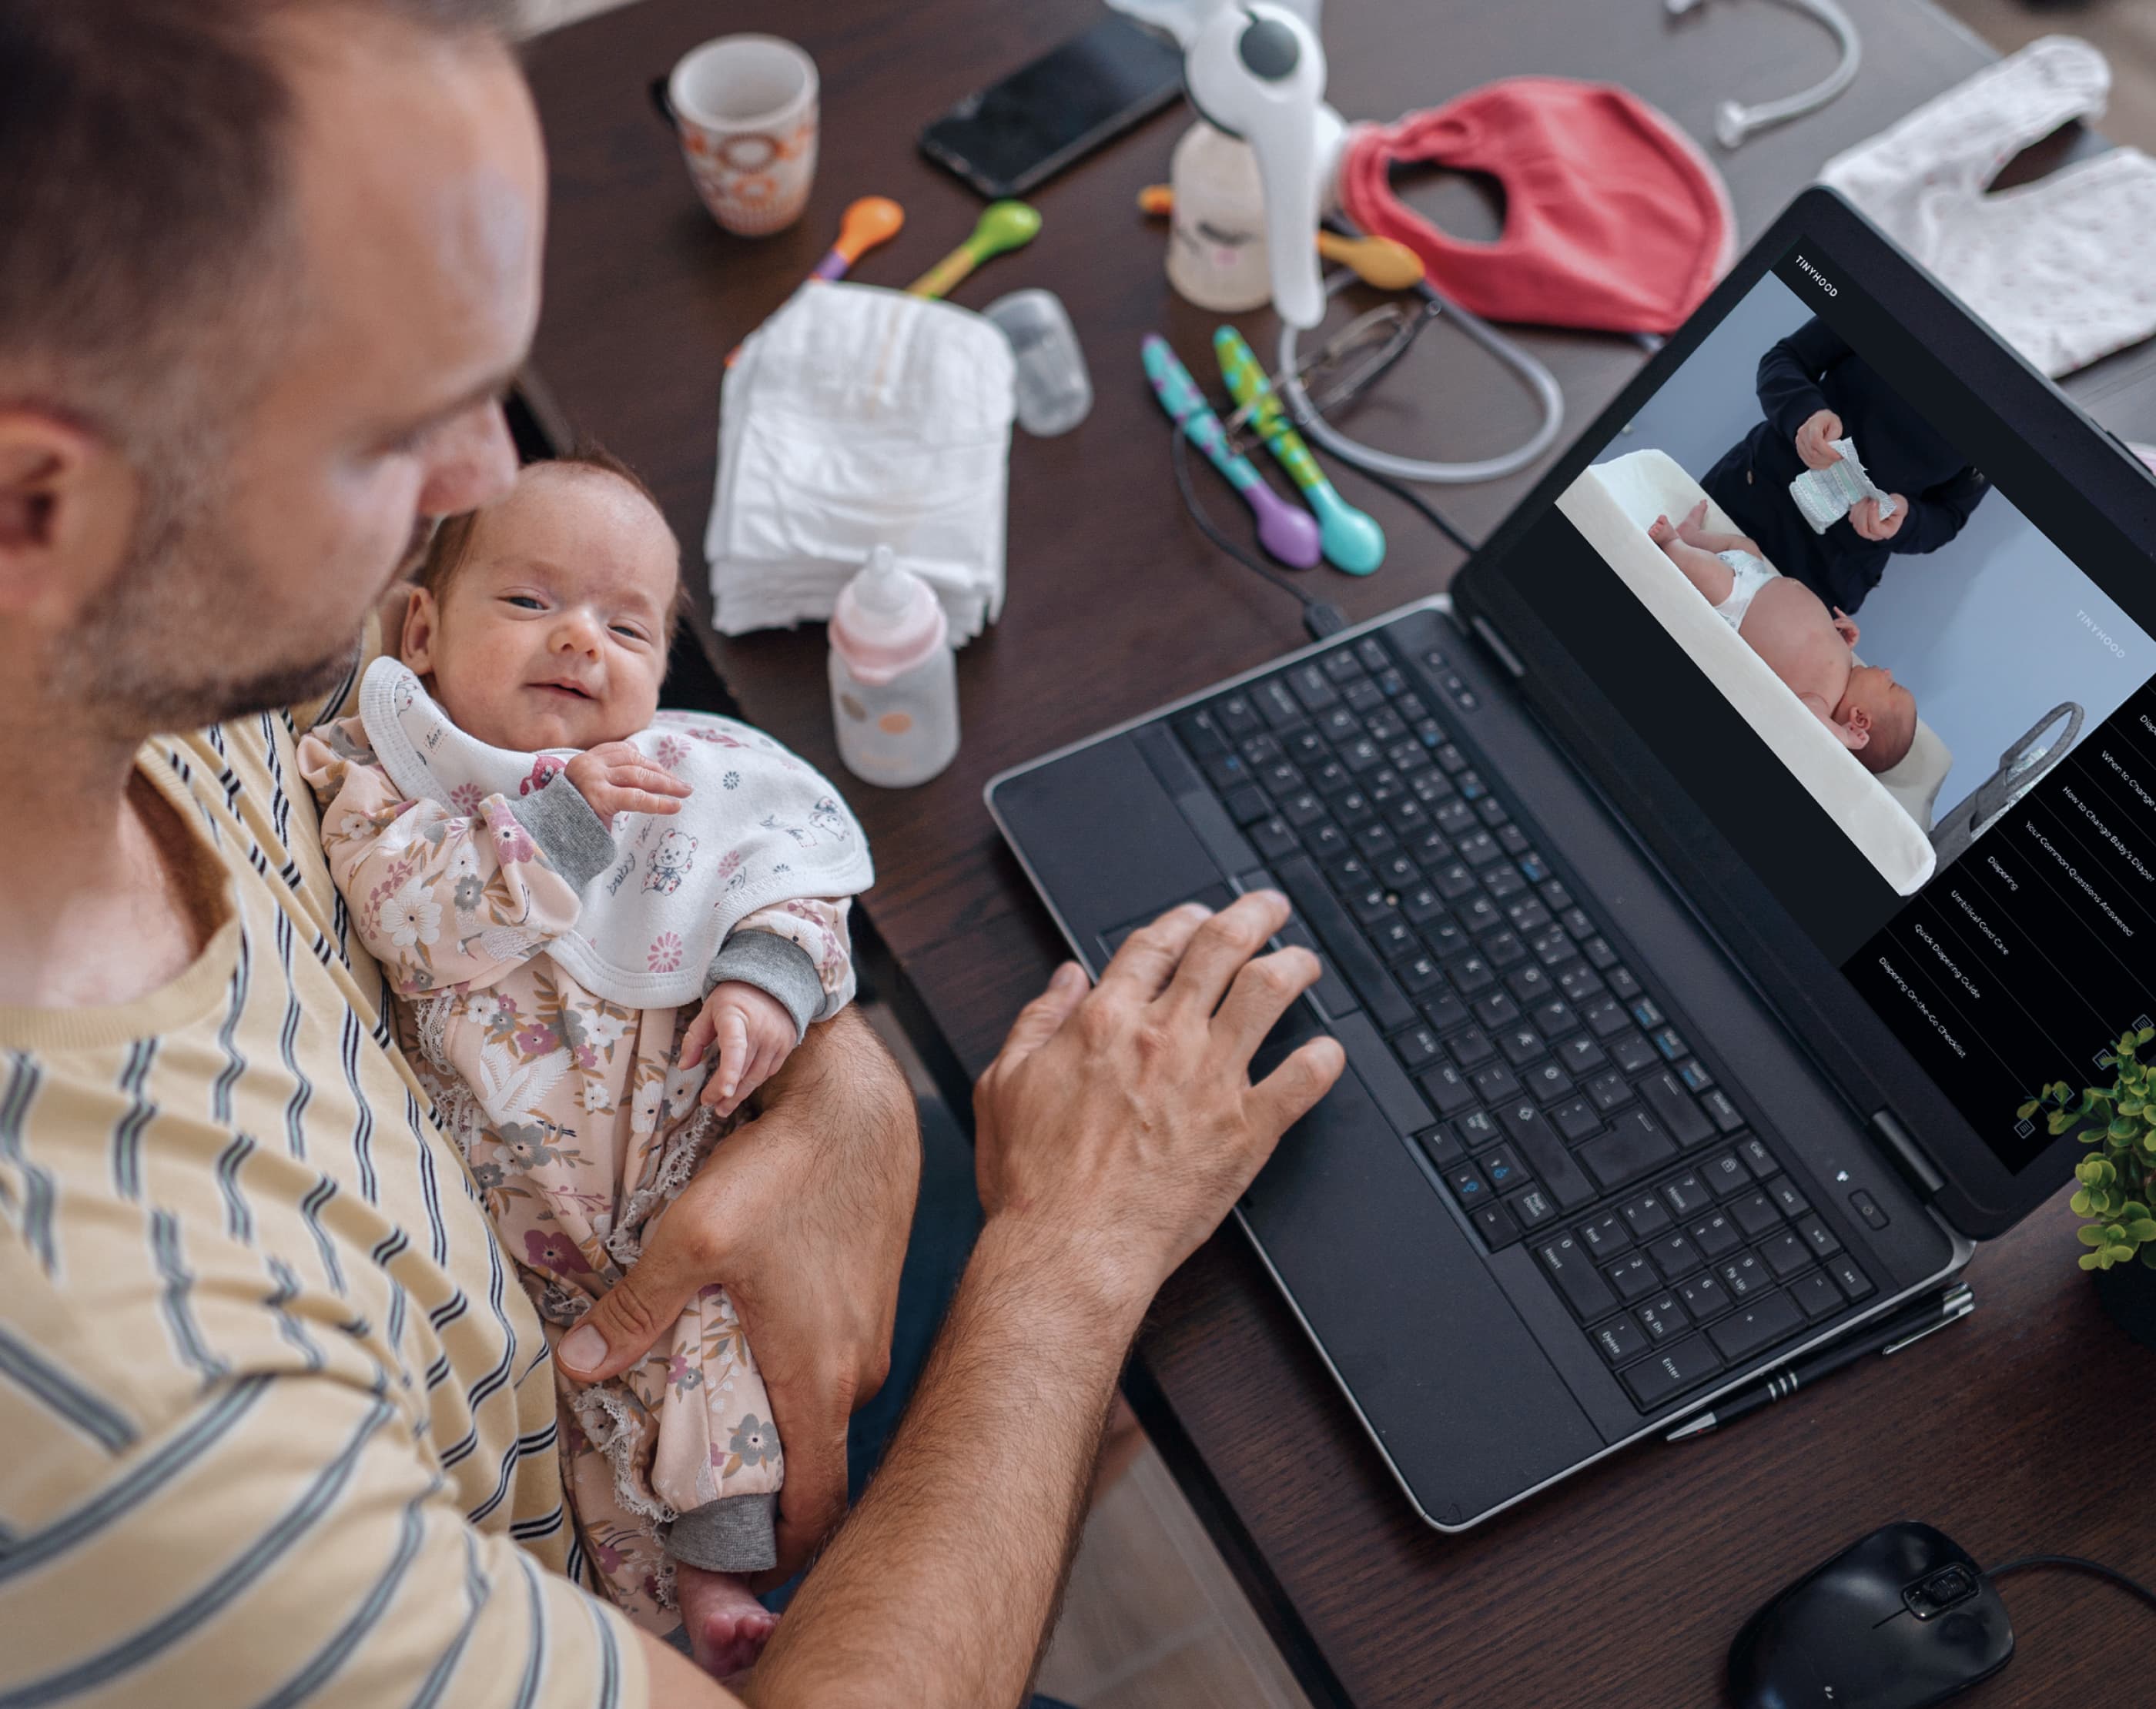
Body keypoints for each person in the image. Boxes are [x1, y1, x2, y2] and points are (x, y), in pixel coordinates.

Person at [0, 4, 1347, 1706]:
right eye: (387, 432)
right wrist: (1069, 1258)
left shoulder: (151, 657)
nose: (485, 477)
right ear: (36, 506)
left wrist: (834, 1091)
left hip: (642, 1182)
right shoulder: (136, 1434)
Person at [299, 450, 869, 1674]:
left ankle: (722, 1575)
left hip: (680, 1167)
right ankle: (654, 1627)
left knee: (719, 1362)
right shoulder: (384, 784)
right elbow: (417, 920)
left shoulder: (684, 782)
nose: (580, 640)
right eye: (528, 602)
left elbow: (794, 882)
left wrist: (765, 986)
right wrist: (561, 814)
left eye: (627, 626)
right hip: (520, 1232)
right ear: (421, 632)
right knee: (580, 1426)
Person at [1700, 315, 1989, 615]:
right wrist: (1805, 416)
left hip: (1828, 575)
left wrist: (1906, 520)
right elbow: (1787, 358)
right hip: (1750, 498)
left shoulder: (2009, 410)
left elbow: (1950, 516)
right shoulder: (1899, 301)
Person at [1649, 502, 1917, 771]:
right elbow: (1816, 640)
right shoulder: (1844, 665)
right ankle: (1693, 536)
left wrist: (1842, 736)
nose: (1887, 672)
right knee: (1745, 546)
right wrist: (1842, 639)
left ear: (1859, 718)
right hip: (1758, 575)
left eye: (1891, 685)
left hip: (1737, 602)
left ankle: (1673, 544)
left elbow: (1810, 721)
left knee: (1705, 571)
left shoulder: (1821, 699)